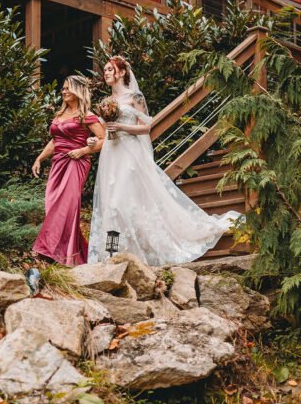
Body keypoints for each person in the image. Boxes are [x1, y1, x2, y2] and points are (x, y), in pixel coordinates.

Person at [87, 55, 238, 266]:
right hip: (111, 154)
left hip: (129, 154)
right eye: (105, 70)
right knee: (110, 203)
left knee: (121, 201)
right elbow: (104, 131)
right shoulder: (107, 102)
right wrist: (95, 138)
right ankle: (113, 252)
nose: (106, 73)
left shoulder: (135, 97)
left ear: (122, 72)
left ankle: (137, 251)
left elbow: (146, 127)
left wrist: (122, 127)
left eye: (110, 69)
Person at [32, 75, 105, 266]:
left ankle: (46, 251)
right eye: (63, 88)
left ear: (78, 90)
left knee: (65, 205)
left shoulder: (87, 115)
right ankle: (68, 251)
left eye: (67, 88)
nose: (63, 91)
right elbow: (55, 140)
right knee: (52, 202)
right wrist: (40, 158)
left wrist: (83, 151)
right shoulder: (59, 115)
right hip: (58, 163)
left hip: (76, 163)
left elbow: (105, 140)